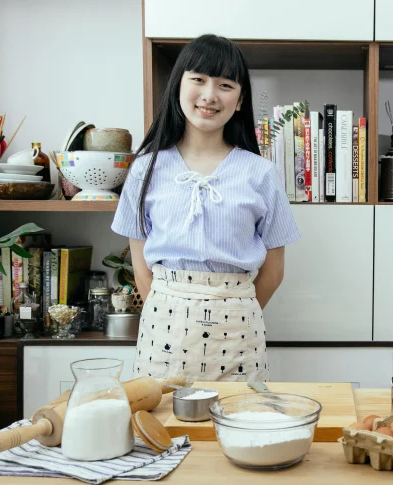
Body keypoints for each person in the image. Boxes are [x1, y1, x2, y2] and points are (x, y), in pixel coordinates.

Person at [111, 34, 300, 383]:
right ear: (178, 86)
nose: (210, 95)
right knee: (161, 431)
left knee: (237, 428)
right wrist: (173, 313)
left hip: (239, 331)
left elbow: (273, 273)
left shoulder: (261, 173)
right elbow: (140, 268)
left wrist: (233, 311)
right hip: (163, 330)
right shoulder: (145, 169)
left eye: (225, 84)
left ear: (240, 100)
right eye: (198, 79)